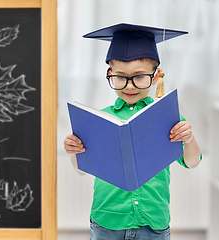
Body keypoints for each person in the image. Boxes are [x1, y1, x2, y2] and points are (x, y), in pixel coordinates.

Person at [63, 23, 202, 240]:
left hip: (153, 221)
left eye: (139, 77)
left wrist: (190, 138)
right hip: (107, 222)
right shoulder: (100, 119)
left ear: (155, 77)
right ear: (110, 75)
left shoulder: (167, 116)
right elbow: (81, 170)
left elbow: (192, 162)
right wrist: (75, 150)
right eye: (120, 77)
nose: (129, 86)